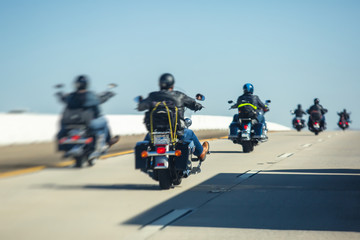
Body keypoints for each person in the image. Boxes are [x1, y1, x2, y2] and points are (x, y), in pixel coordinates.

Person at [137, 73, 209, 161]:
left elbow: (141, 107)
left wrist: (141, 102)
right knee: (190, 133)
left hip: (154, 133)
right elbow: (193, 104)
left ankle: (146, 161)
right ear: (172, 84)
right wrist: (198, 106)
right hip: (176, 133)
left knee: (146, 141)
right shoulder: (179, 95)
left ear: (159, 84)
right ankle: (201, 153)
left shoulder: (153, 96)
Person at [56, 75, 119, 157]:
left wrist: (60, 94)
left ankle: (67, 148)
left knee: (61, 130)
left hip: (70, 123)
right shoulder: (90, 96)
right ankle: (108, 141)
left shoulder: (70, 97)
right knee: (104, 121)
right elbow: (100, 99)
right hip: (87, 123)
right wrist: (108, 95)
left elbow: (63, 99)